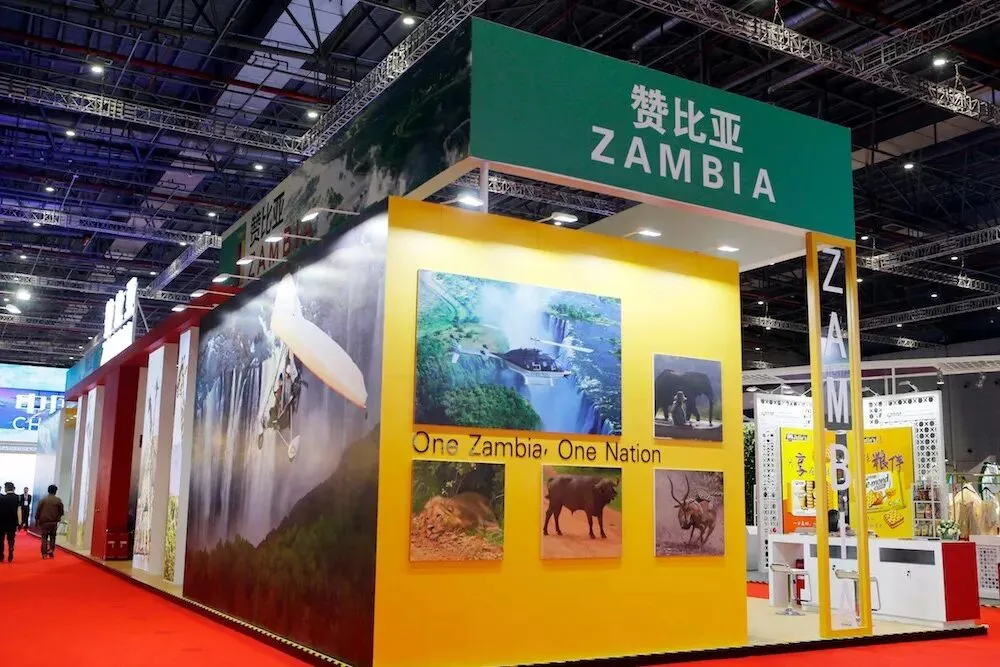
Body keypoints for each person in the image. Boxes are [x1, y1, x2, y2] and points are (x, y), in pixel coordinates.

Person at [35, 485, 64, 560]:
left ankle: (44, 553)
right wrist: (58, 517)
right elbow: (61, 511)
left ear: (48, 491)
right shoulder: (58, 500)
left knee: (44, 537)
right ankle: (51, 550)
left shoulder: (43, 500)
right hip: (54, 522)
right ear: (55, 491)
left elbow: (38, 511)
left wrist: (37, 519)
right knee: (53, 537)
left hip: (44, 522)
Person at [0, 482, 20, 562]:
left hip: (2, 522)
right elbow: (19, 511)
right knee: (11, 539)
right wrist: (19, 522)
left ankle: (1, 555)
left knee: (1, 539)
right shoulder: (17, 498)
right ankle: (11, 551)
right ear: (12, 488)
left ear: (6, 488)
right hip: (12, 522)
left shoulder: (2, 498)